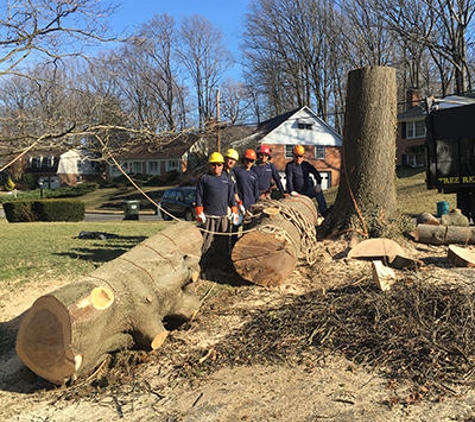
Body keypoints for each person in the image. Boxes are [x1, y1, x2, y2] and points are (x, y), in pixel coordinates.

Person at [195, 151, 238, 264]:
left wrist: (234, 211)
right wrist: (199, 211)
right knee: (206, 242)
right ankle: (203, 264)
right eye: (213, 164)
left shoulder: (227, 181)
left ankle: (221, 264)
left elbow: (231, 198)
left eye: (219, 164)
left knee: (222, 242)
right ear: (209, 165)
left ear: (223, 165)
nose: (216, 167)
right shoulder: (204, 179)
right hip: (209, 216)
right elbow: (198, 196)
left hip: (223, 217)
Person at [285, 144, 328, 217]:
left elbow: (316, 173)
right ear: (293, 156)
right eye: (296, 156)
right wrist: (291, 191)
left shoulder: (306, 165)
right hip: (296, 194)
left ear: (303, 156)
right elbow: (289, 179)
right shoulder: (290, 166)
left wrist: (318, 184)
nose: (298, 158)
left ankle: (324, 211)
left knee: (318, 191)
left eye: (300, 156)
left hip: (307, 192)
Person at [234, 149, 260, 215]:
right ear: (244, 159)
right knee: (236, 224)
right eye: (247, 160)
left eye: (251, 161)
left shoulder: (254, 175)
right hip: (238, 203)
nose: (249, 162)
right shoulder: (236, 171)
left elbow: (256, 192)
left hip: (250, 204)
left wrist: (255, 205)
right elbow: (232, 187)